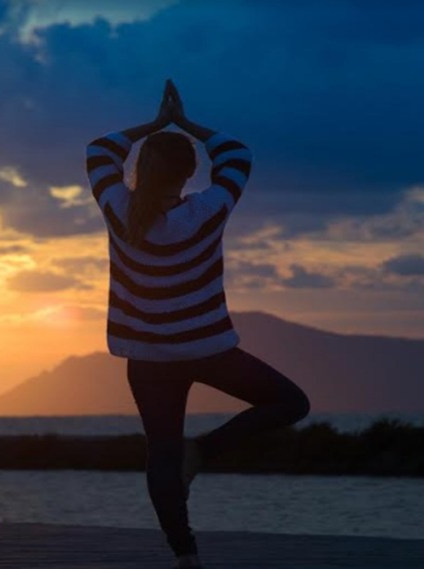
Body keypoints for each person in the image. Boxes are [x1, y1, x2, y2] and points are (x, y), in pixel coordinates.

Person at [84, 79, 311, 569]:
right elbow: (237, 154)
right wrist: (185, 124)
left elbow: (99, 150)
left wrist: (153, 125)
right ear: (190, 173)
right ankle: (204, 450)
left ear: (141, 169)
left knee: (161, 453)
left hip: (147, 357)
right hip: (209, 349)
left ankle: (185, 555)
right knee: (291, 402)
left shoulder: (119, 210)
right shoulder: (208, 210)